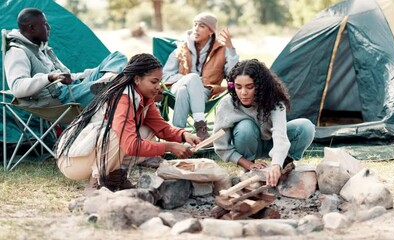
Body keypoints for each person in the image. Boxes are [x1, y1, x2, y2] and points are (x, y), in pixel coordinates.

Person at [56, 53, 201, 195]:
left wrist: (184, 135)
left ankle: (115, 177)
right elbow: (130, 145)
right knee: (114, 133)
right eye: (154, 82)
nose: (158, 87)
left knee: (147, 130)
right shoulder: (123, 99)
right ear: (137, 79)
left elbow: (161, 128)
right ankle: (97, 183)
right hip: (73, 161)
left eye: (159, 82)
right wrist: (169, 147)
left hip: (89, 154)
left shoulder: (144, 98)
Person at [213, 59, 316, 187]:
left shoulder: (274, 100)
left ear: (260, 86)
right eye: (238, 87)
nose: (243, 92)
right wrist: (248, 164)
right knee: (245, 127)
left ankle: (285, 163)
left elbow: (280, 134)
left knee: (305, 127)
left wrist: (276, 164)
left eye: (249, 87)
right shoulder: (227, 104)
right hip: (248, 145)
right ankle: (249, 170)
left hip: (271, 143)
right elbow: (221, 146)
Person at [4, 8, 127, 108]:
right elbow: (17, 87)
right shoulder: (17, 51)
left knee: (117, 57)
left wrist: (91, 73)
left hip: (72, 87)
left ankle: (106, 79)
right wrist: (50, 77)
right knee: (118, 89)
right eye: (44, 24)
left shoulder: (42, 48)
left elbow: (67, 75)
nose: (49, 27)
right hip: (59, 97)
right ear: (31, 28)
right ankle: (107, 84)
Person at [162, 12, 239, 140]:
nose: (196, 29)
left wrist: (231, 50)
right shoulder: (181, 48)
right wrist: (187, 78)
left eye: (202, 26)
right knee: (191, 79)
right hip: (175, 88)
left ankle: (176, 135)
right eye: (195, 24)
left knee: (183, 91)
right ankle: (200, 123)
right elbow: (165, 77)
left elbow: (233, 75)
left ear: (210, 31)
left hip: (205, 92)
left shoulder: (222, 49)